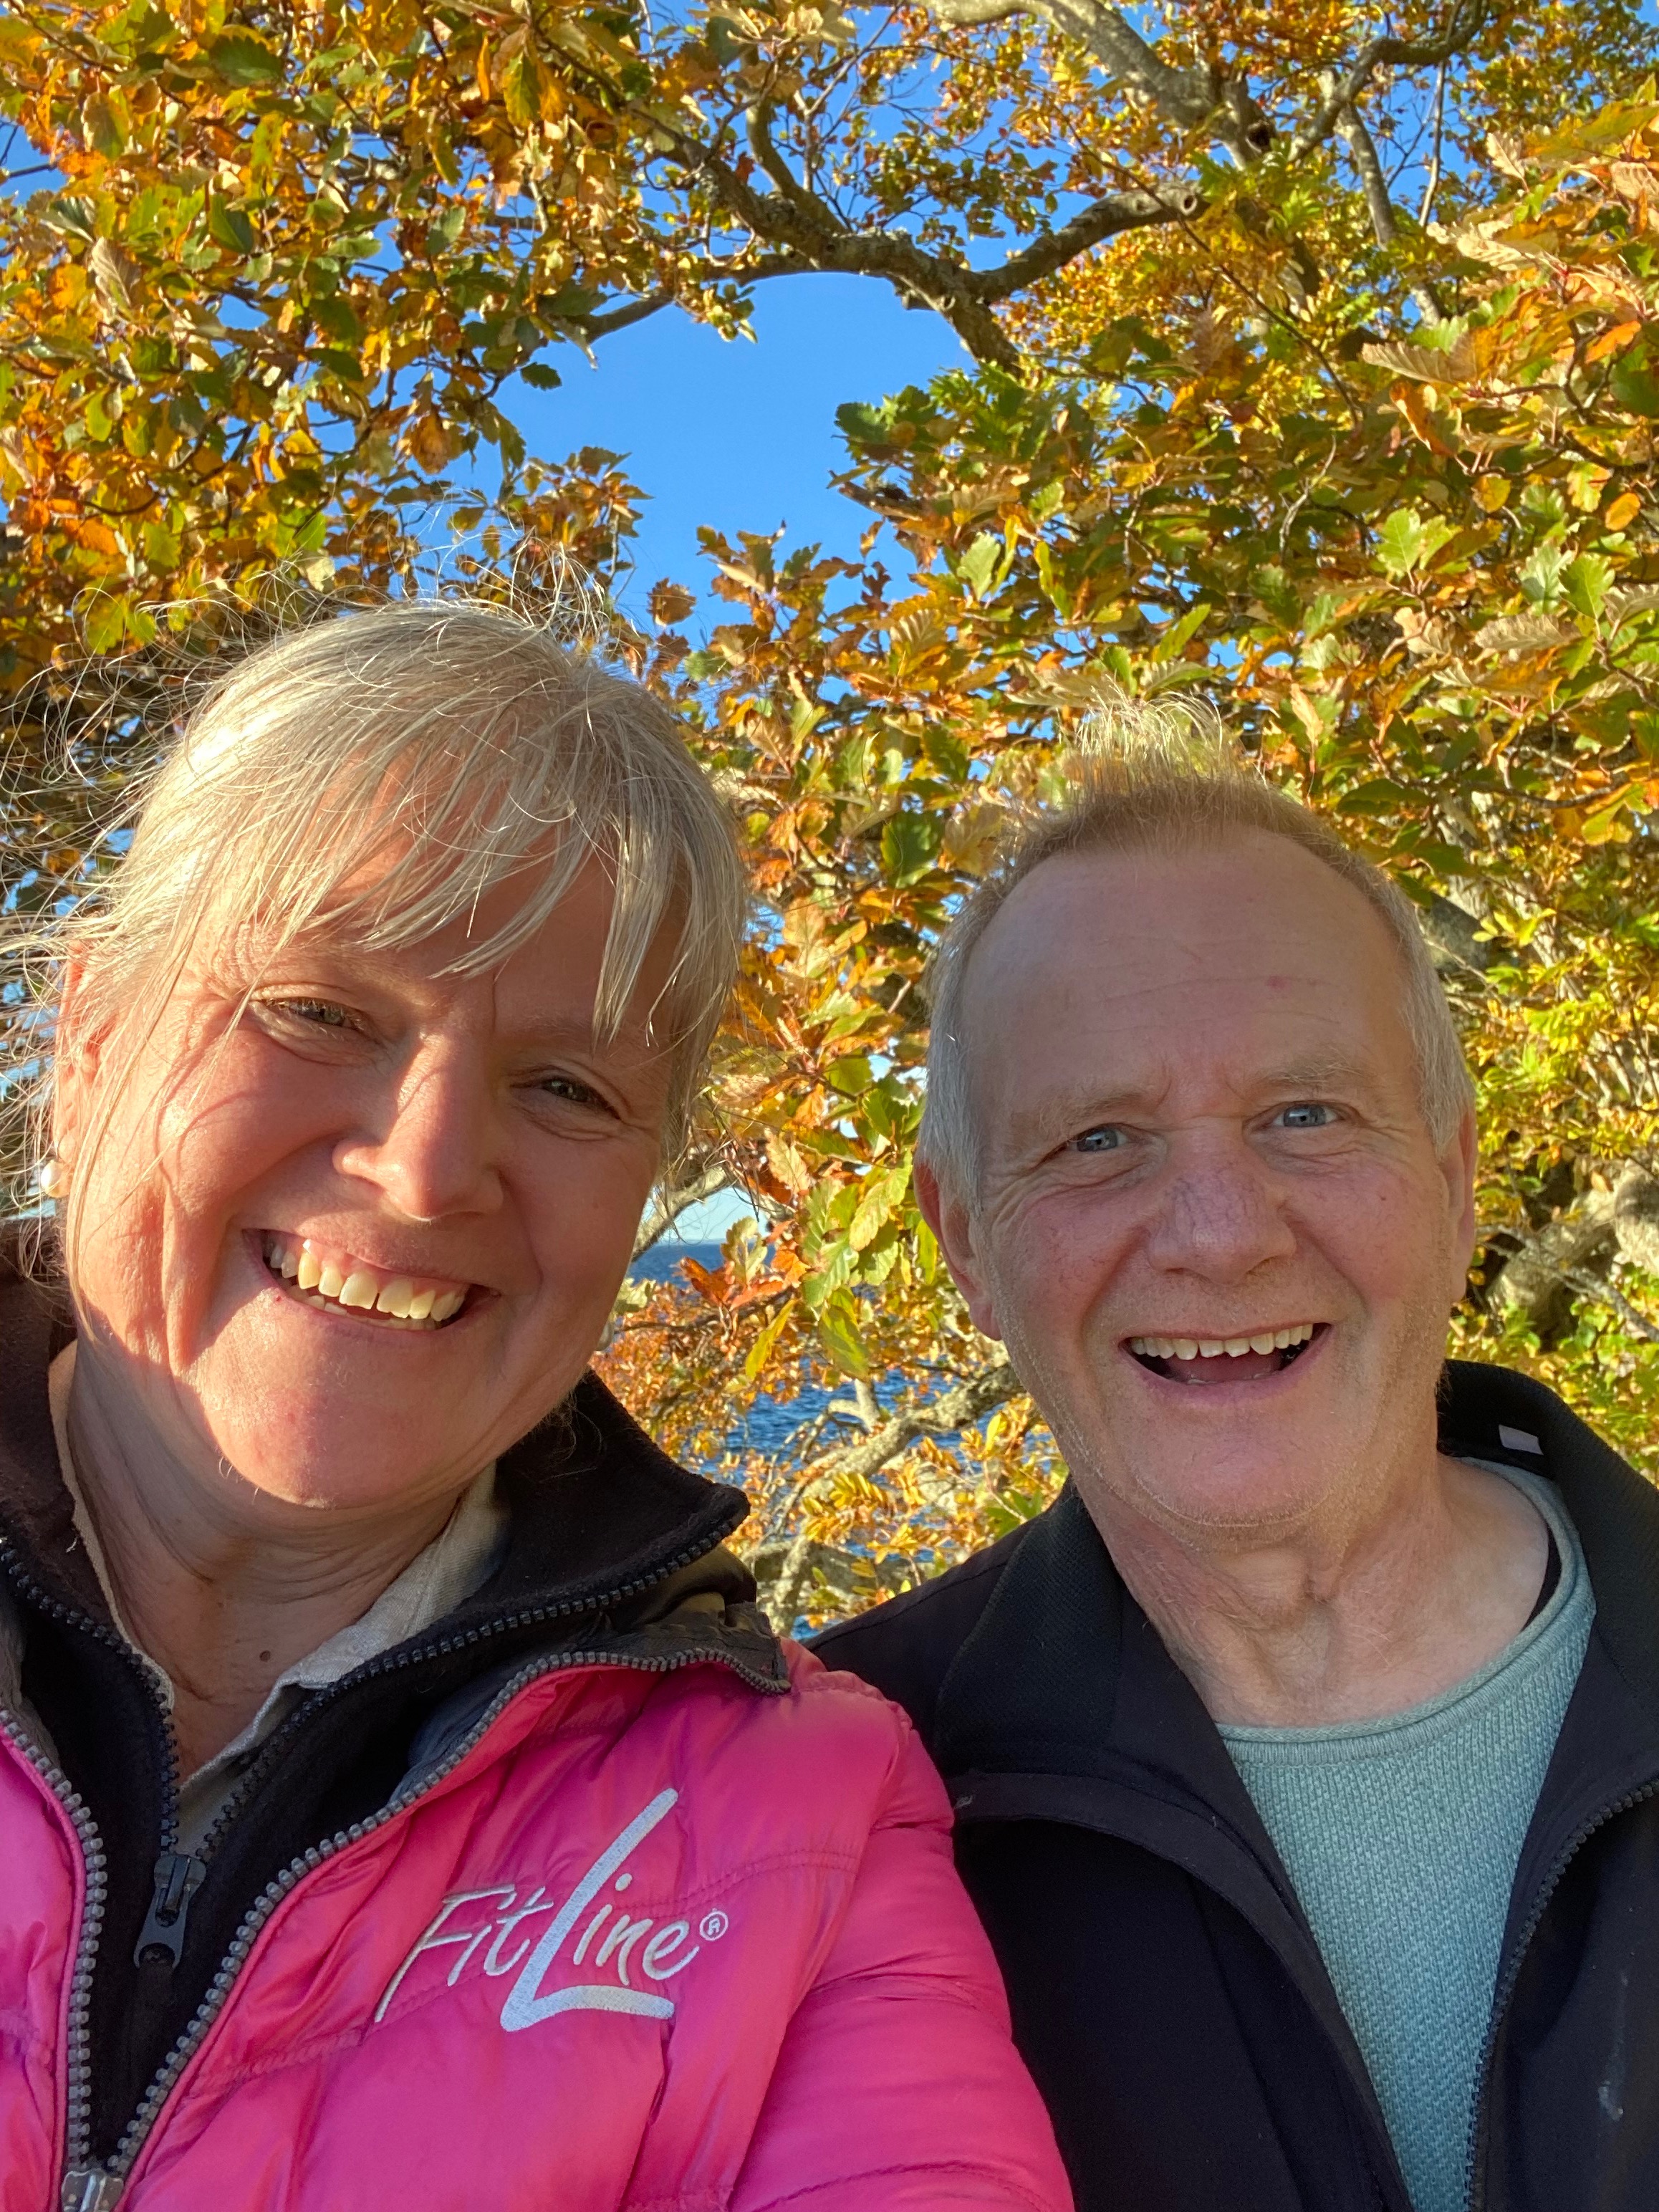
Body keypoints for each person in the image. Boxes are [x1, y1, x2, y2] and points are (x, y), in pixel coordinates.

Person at [0, 600, 1069, 2212]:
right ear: (87, 1042)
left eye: (568, 1086)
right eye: (320, 1010)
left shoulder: (797, 1827)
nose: (428, 1168)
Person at [817, 720, 1659, 2212]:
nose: (1220, 1232)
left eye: (1305, 1115)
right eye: (1097, 1139)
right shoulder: (820, 1811)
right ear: (965, 1242)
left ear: (1456, 1178)